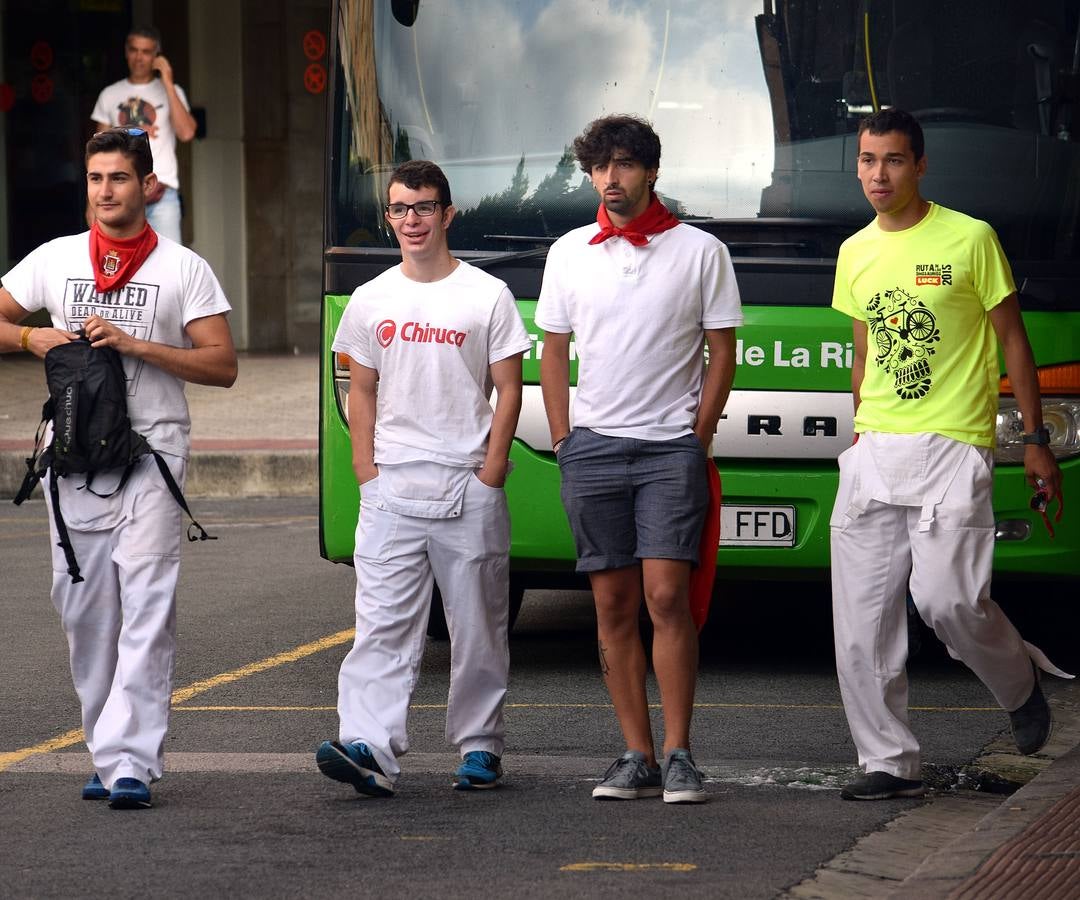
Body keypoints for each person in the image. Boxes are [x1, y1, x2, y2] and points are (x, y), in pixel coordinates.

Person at [830, 108, 1069, 801]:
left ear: (921, 165)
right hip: (875, 448)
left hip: (953, 447)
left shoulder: (971, 238)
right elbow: (865, 350)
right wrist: (860, 431)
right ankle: (886, 761)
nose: (879, 175)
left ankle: (1020, 681)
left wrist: (1034, 441)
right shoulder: (854, 252)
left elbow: (1014, 342)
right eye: (869, 161)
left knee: (949, 602)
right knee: (862, 622)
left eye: (894, 160)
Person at [0, 127, 236, 809]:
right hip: (72, 455)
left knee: (147, 605)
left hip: (153, 450)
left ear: (148, 186)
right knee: (84, 607)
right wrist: (28, 335)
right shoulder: (55, 258)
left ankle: (131, 760)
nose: (106, 191)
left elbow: (222, 365)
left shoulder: (183, 267)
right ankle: (107, 748)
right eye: (96, 178)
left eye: (120, 179)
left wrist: (137, 345)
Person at [535, 115, 742, 804]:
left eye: (622, 165)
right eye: (598, 167)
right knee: (613, 606)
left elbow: (723, 352)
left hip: (668, 450)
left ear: (651, 171)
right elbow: (554, 349)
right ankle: (635, 754)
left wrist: (698, 435)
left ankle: (681, 752)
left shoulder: (701, 251)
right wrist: (565, 439)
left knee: (666, 597)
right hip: (591, 449)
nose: (609, 179)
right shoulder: (569, 251)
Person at [316, 160, 531, 798]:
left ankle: (480, 746)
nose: (411, 221)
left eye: (424, 208)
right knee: (381, 623)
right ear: (390, 217)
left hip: (469, 486)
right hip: (392, 490)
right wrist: (365, 471)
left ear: (448, 213)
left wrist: (492, 471)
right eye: (399, 209)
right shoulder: (371, 298)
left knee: (479, 625)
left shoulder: (485, 295)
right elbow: (361, 390)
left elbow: (509, 389)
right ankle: (368, 746)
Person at [90, 25, 196, 243]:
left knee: (168, 269)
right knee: (117, 264)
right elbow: (98, 153)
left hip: (162, 197)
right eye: (134, 50)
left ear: (157, 56)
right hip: (118, 194)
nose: (139, 58)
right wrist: (90, 203)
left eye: (146, 52)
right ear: (126, 52)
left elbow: (186, 133)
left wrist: (167, 80)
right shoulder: (110, 94)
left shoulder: (172, 92)